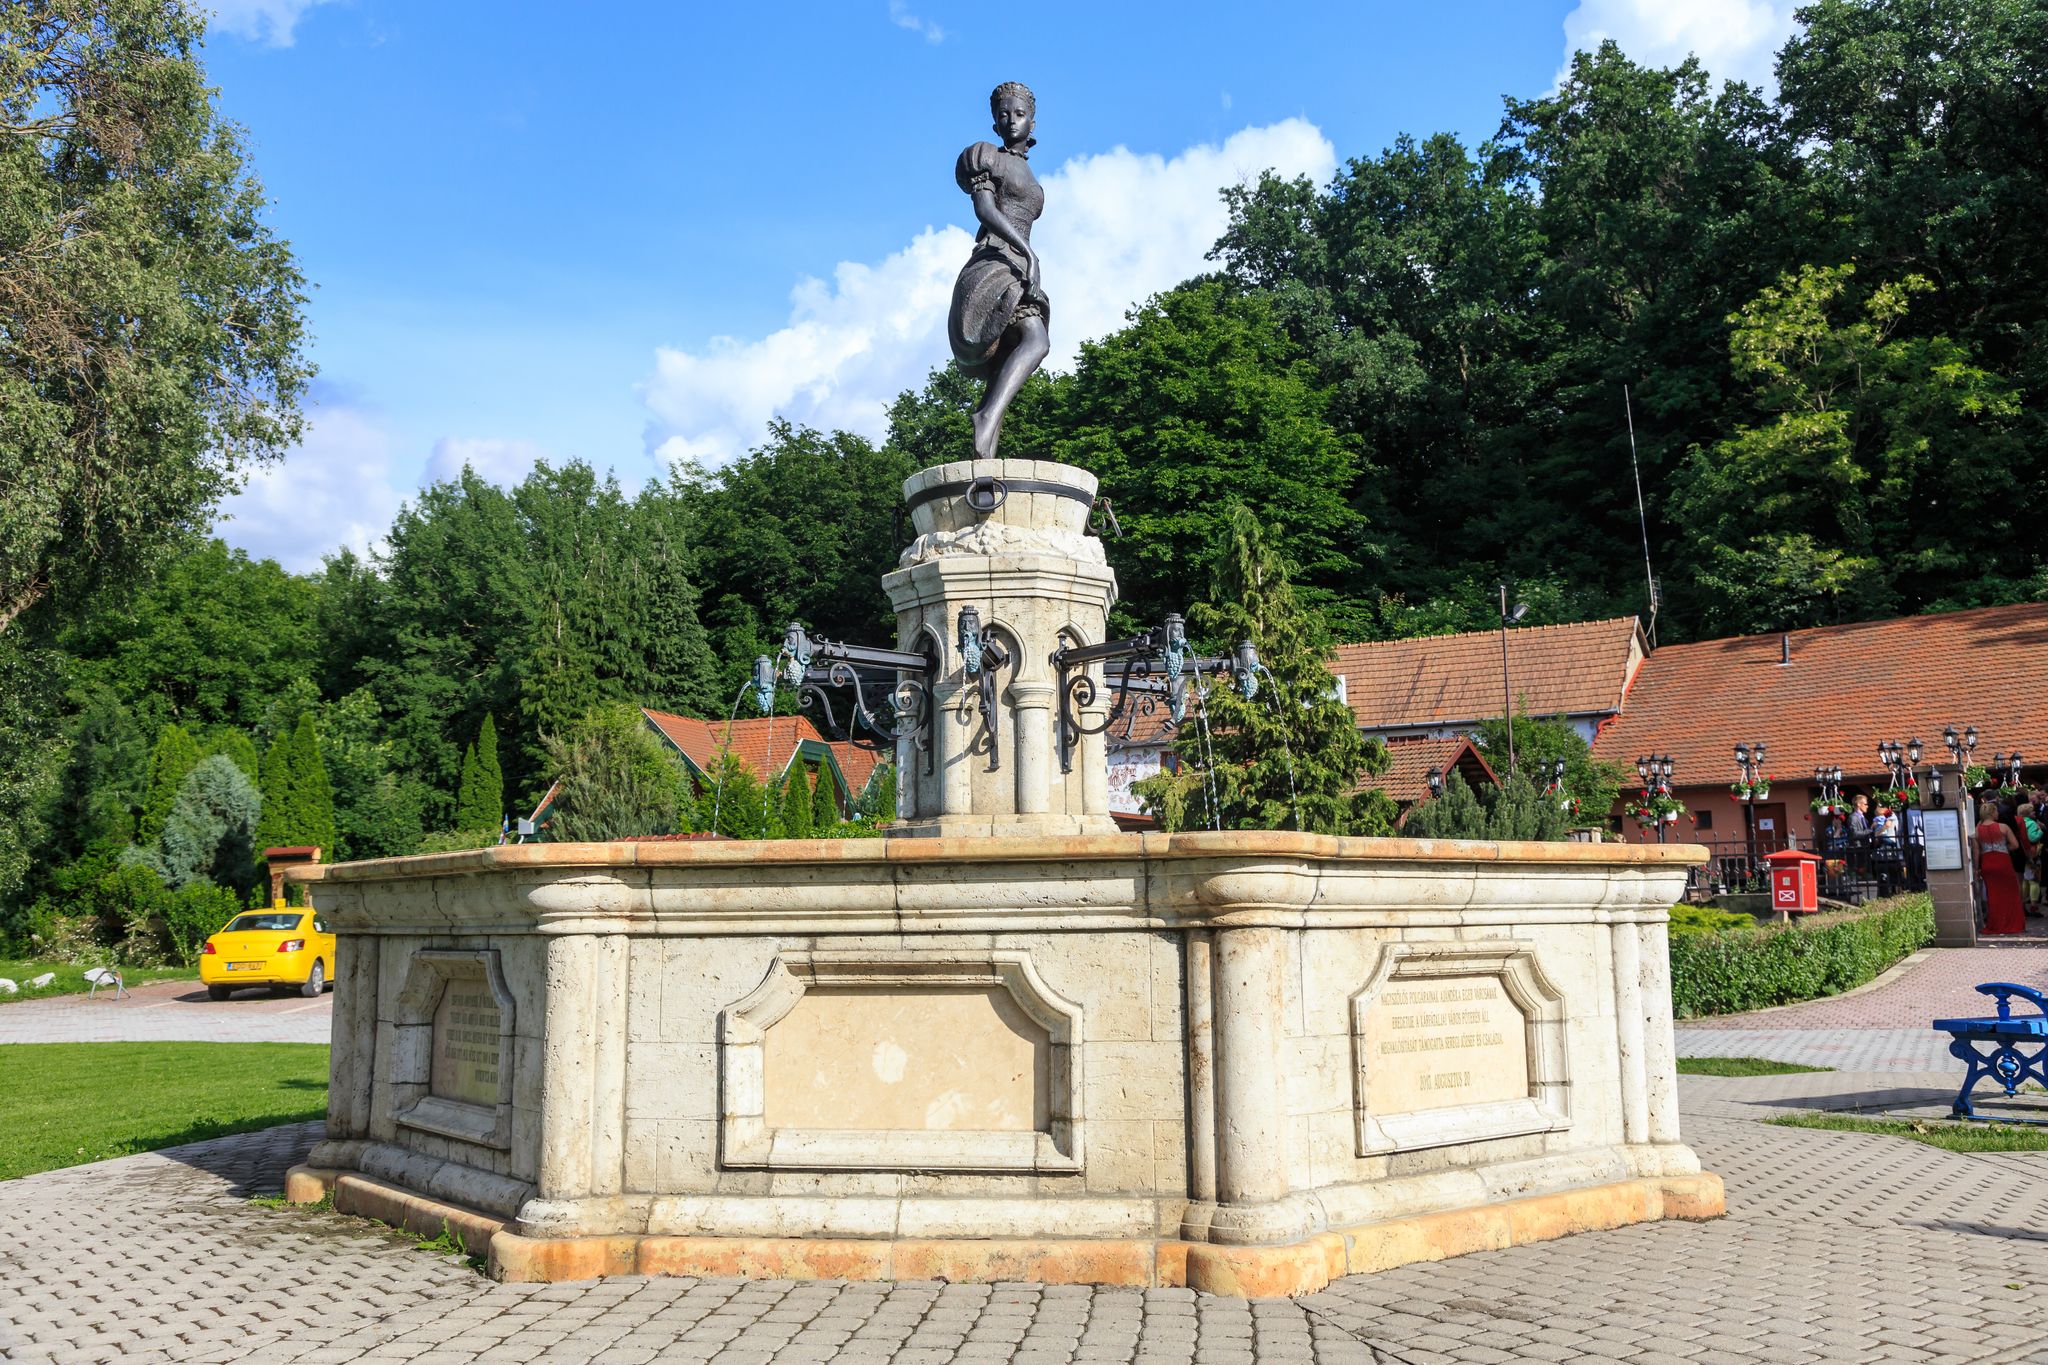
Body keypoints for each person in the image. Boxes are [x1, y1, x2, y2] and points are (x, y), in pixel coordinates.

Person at [949, 82, 1050, 461]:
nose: (1010, 120)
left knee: (1009, 357)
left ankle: (986, 450)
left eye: (1018, 114)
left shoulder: (1026, 169)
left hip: (1018, 263)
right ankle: (987, 416)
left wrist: (1027, 258)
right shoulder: (986, 156)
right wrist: (1028, 252)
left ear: (1032, 123)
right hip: (995, 260)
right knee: (1036, 340)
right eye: (1002, 115)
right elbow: (985, 210)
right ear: (994, 123)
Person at [1975, 798, 2027, 935]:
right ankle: (2012, 923)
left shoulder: (1977, 830)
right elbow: (2015, 845)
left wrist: (1976, 868)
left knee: (1993, 896)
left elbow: (1977, 851)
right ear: (1992, 813)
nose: (1998, 813)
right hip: (2003, 862)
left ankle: (1995, 924)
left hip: (1987, 863)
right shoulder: (2003, 827)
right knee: (2010, 893)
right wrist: (2003, 848)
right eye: (1996, 811)